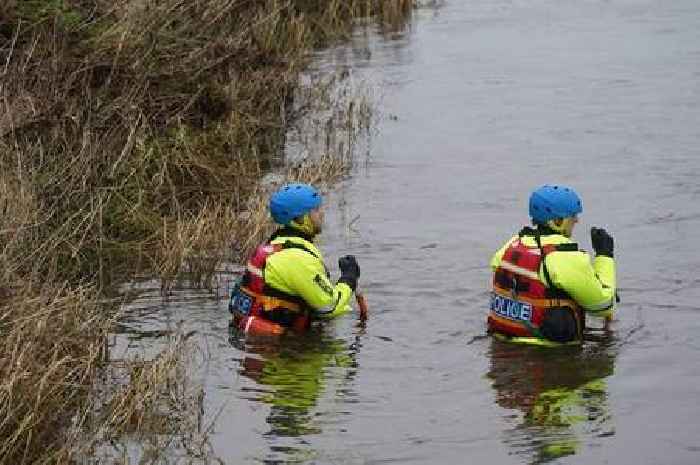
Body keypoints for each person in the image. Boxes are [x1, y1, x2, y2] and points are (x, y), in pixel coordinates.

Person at [488, 184, 616, 345]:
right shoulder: (564, 257)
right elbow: (602, 306)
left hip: (503, 343)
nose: (576, 220)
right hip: (547, 353)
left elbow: (499, 268)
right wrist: (605, 256)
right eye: (572, 216)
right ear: (557, 221)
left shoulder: (512, 244)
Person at [229, 183, 361, 335]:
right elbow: (330, 307)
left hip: (260, 338)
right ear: (300, 219)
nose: (322, 213)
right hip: (284, 348)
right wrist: (349, 278)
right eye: (316, 210)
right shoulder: (297, 259)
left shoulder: (275, 245)